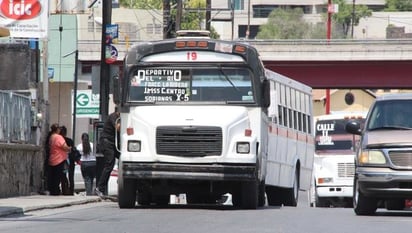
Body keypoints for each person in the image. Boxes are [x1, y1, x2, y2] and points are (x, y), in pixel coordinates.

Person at [95, 110, 120, 197]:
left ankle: (121, 178)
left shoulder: (118, 117)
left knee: (123, 158)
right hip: (107, 143)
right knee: (109, 164)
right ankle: (100, 187)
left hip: (113, 143)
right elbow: (118, 128)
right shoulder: (113, 117)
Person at [48, 123, 71, 195]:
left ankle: (53, 190)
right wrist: (69, 148)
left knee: (53, 176)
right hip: (59, 159)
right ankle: (56, 191)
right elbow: (64, 146)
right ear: (57, 129)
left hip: (52, 159)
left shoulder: (51, 137)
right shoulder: (58, 137)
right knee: (58, 177)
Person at [60, 125, 77, 195]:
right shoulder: (69, 140)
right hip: (70, 160)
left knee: (63, 176)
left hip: (63, 160)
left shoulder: (60, 141)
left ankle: (65, 190)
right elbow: (72, 150)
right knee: (71, 176)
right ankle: (71, 191)